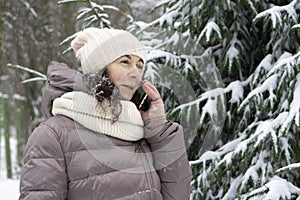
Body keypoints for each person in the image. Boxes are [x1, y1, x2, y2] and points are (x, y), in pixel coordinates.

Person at [19, 27, 192, 200]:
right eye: (125, 62)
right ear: (98, 68)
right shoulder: (53, 135)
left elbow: (177, 196)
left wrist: (159, 129)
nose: (135, 74)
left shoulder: (140, 130)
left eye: (140, 66)